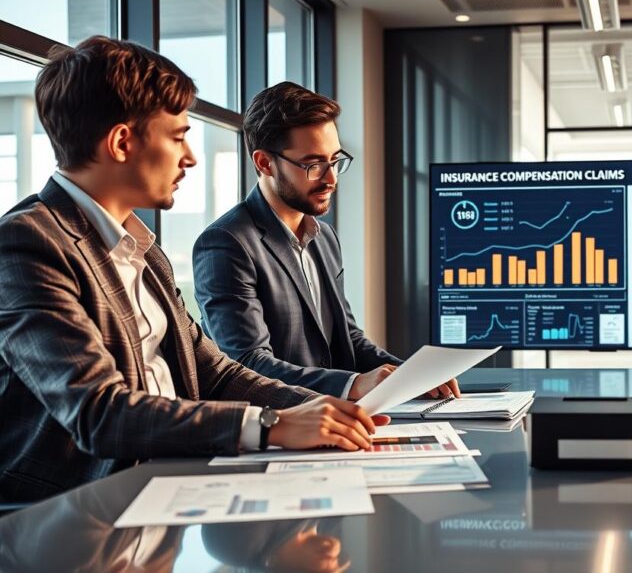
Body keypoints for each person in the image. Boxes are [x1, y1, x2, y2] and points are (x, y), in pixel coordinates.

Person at [0, 37, 387, 503]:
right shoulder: (27, 243)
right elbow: (98, 413)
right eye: (178, 136)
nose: (190, 157)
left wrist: (323, 409)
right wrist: (271, 425)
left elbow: (215, 373)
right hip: (77, 509)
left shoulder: (143, 250)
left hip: (171, 484)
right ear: (122, 142)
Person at [192, 82, 458, 401]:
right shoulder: (226, 243)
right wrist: (352, 384)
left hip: (336, 416)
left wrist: (412, 375)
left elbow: (348, 338)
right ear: (264, 163)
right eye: (314, 165)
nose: (331, 178)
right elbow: (247, 364)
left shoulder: (325, 237)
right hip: (278, 421)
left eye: (334, 160)